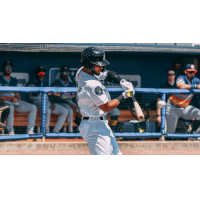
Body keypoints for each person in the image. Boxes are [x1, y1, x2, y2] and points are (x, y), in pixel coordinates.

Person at [75, 47, 135, 155]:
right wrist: (124, 95)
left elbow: (108, 74)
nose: (102, 67)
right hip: (94, 127)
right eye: (99, 64)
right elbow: (107, 107)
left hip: (99, 123)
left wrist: (121, 81)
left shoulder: (82, 71)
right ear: (89, 64)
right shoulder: (91, 84)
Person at [27, 66, 68, 133]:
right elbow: (36, 94)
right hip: (37, 101)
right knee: (47, 110)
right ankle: (46, 131)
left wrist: (52, 103)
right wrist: (39, 82)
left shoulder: (45, 84)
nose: (42, 75)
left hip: (47, 102)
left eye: (43, 73)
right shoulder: (31, 83)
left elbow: (50, 95)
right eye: (40, 73)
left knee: (65, 111)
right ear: (36, 74)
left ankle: (56, 131)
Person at [0, 61, 37, 135]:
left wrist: (18, 99)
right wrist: (10, 99)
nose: (8, 69)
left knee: (33, 107)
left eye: (10, 68)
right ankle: (11, 131)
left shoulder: (14, 80)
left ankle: (30, 130)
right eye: (7, 68)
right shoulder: (0, 79)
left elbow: (17, 94)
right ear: (3, 69)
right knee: (10, 107)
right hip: (3, 103)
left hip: (13, 102)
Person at [166, 64, 200, 133]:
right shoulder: (181, 77)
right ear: (185, 72)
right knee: (170, 132)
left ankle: (193, 133)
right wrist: (196, 86)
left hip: (184, 108)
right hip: (173, 107)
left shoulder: (196, 80)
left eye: (194, 72)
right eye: (190, 72)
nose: (192, 74)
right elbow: (181, 86)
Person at [52, 66, 80, 133]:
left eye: (67, 72)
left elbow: (73, 98)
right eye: (64, 72)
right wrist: (69, 103)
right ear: (61, 73)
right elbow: (56, 98)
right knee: (70, 110)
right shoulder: (57, 84)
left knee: (84, 111)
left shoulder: (71, 84)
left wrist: (78, 104)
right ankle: (70, 131)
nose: (66, 74)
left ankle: (80, 129)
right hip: (61, 103)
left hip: (70, 103)